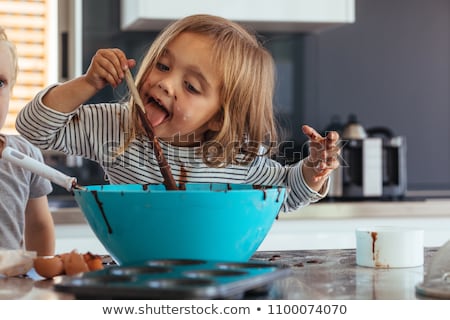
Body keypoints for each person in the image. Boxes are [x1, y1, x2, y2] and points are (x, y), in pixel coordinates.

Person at [16, 14, 340, 212]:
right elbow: (35, 129)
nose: (166, 83)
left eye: (191, 86)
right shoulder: (116, 127)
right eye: (162, 65)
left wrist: (314, 169)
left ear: (217, 117)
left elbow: (285, 193)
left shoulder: (234, 155)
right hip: (137, 276)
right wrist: (87, 83)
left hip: (214, 278)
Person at [0, 26, 55, 255]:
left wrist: (43, 275)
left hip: (10, 287)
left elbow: (39, 226)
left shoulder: (26, 156)